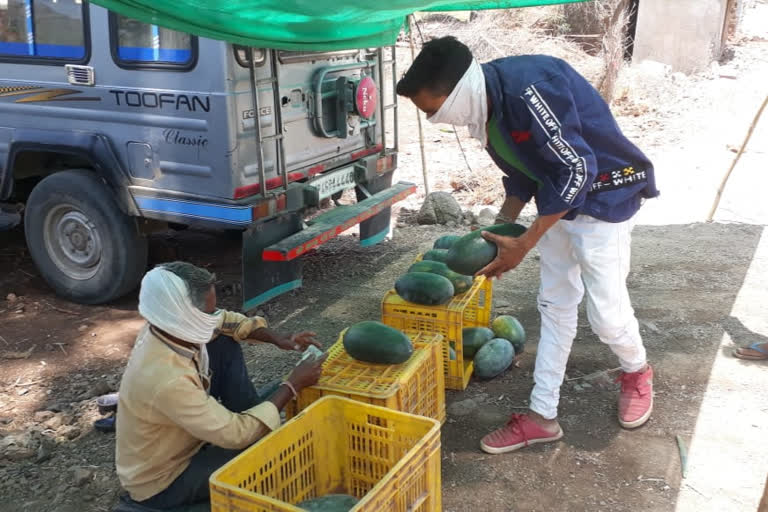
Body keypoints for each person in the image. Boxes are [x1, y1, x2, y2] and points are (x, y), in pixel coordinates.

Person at [397, 37, 659, 454]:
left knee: (606, 315)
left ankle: (637, 371)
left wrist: (527, 241)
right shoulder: (486, 107)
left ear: (457, 91)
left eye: (433, 109)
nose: (432, 119)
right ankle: (542, 416)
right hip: (556, 203)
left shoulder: (529, 88)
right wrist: (503, 228)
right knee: (555, 305)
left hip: (604, 201)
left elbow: (579, 167)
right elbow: (523, 171)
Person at [115, 261, 326, 510]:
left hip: (186, 442)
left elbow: (226, 321)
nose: (212, 318)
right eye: (206, 314)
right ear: (184, 317)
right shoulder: (167, 379)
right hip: (165, 481)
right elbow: (235, 434)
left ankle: (256, 416)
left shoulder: (167, 324)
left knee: (222, 341)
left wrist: (279, 339)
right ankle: (257, 426)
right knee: (271, 457)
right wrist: (292, 385)